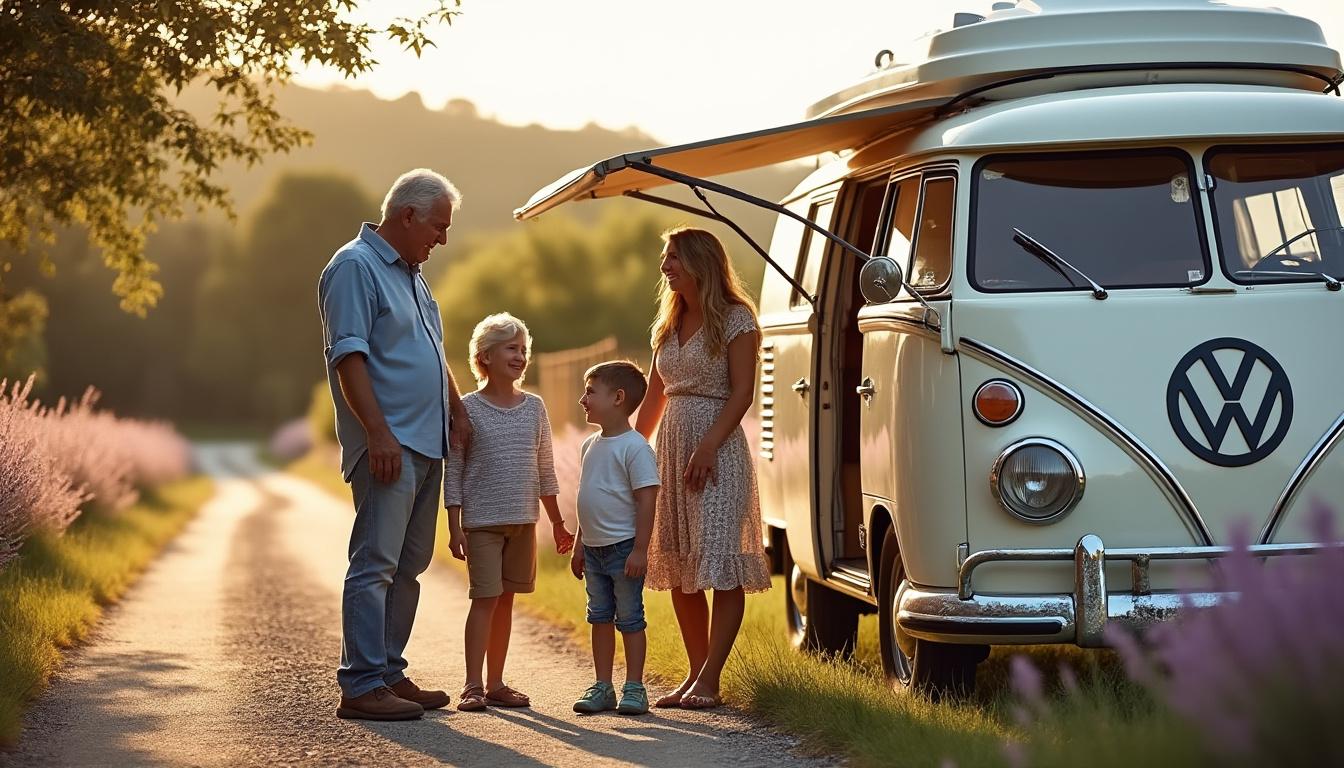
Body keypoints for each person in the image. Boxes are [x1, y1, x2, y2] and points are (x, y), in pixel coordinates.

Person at [319, 168, 470, 721]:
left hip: (427, 443)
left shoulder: (414, 273)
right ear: (406, 215)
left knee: (409, 566)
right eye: (438, 226)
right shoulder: (353, 267)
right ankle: (360, 685)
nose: (442, 239)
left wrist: (456, 408)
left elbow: (434, 348)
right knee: (375, 563)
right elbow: (348, 358)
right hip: (391, 443)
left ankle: (387, 672)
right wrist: (378, 433)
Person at [635, 226, 772, 710]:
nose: (665, 266)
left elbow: (742, 393)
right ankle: (695, 676)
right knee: (680, 566)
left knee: (720, 562)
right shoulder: (667, 326)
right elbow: (654, 398)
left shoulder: (737, 320)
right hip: (672, 451)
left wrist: (710, 444)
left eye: (673, 257)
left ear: (700, 262)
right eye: (664, 258)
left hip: (718, 453)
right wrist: (629, 452)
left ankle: (712, 679)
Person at [445, 312, 576, 712]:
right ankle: (472, 685)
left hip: (524, 522)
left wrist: (557, 522)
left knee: (506, 602)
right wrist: (454, 526)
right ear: (484, 356)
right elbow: (453, 469)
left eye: (523, 349)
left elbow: (545, 470)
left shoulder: (535, 407)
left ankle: (496, 683)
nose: (520, 356)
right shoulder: (466, 409)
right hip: (482, 524)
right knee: (484, 599)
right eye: (510, 348)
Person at [569, 361, 660, 716]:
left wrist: (640, 549)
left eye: (590, 392)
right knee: (599, 616)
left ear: (618, 398)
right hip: (592, 550)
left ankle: (635, 687)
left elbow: (647, 499)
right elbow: (586, 497)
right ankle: (603, 686)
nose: (582, 399)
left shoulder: (635, 447)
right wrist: (579, 544)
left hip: (624, 550)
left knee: (631, 618)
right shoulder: (590, 444)